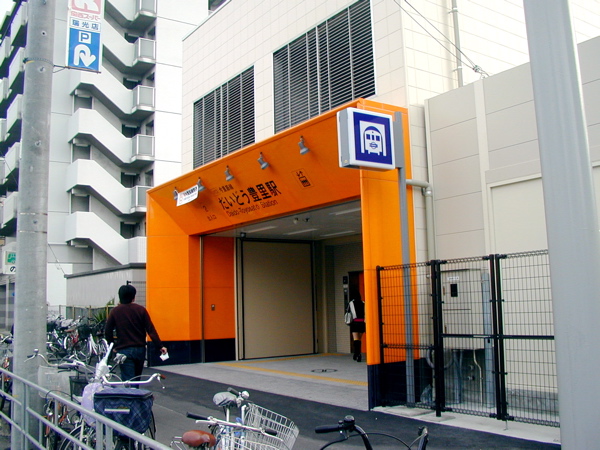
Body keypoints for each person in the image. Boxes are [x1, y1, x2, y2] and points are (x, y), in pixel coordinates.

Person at [105, 284, 167, 381]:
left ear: (120, 296)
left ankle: (131, 390)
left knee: (128, 380)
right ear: (133, 297)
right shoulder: (141, 310)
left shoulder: (115, 311)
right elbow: (150, 330)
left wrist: (113, 346)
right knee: (137, 379)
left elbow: (108, 331)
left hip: (124, 350)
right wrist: (160, 346)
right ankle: (136, 390)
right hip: (140, 349)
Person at [348, 294, 365, 362]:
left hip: (355, 322)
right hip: (362, 323)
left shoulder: (351, 303)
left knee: (356, 340)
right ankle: (358, 354)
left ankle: (357, 354)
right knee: (359, 339)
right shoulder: (363, 303)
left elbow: (348, 312)